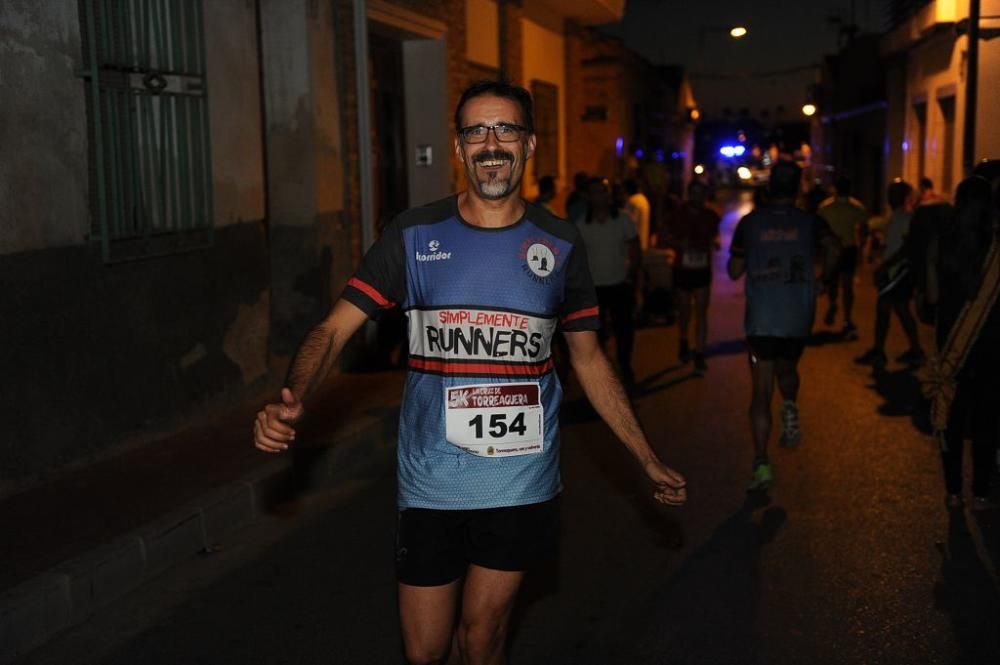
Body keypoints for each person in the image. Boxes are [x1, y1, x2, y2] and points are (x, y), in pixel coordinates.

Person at [252, 80, 686, 665]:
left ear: (529, 144)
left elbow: (589, 360)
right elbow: (332, 330)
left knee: (481, 637)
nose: (491, 143)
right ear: (459, 149)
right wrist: (292, 396)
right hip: (431, 478)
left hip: (520, 477)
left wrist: (645, 455)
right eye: (476, 131)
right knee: (426, 650)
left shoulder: (559, 243)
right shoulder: (412, 235)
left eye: (505, 129)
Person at [728, 160, 840, 490]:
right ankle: (790, 407)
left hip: (762, 319)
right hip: (797, 315)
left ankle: (761, 463)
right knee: (787, 370)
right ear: (797, 189)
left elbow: (734, 270)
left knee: (760, 392)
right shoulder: (810, 222)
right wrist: (824, 279)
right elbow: (834, 247)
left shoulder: (750, 223)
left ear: (769, 187)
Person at [926, 176, 999, 511]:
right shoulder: (996, 244)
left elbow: (930, 295)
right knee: (987, 419)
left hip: (952, 338)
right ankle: (981, 492)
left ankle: (953, 492)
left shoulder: (942, 237)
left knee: (952, 416)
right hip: (991, 343)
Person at [577, 176, 642, 387]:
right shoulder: (581, 224)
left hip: (619, 284)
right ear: (588, 196)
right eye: (596, 192)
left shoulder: (623, 219)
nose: (601, 196)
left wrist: (633, 277)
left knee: (624, 331)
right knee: (597, 336)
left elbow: (635, 249)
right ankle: (604, 376)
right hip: (594, 290)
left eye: (604, 191)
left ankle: (625, 368)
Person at [854, 180, 926, 368]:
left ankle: (881, 352)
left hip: (898, 272)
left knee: (886, 308)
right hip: (897, 270)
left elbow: (907, 246)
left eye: (893, 194)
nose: (890, 198)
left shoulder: (904, 217)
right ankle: (911, 350)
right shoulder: (897, 216)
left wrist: (887, 265)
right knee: (896, 309)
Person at [663, 180, 721, 371]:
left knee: (701, 312)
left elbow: (716, 235)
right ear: (689, 194)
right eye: (694, 192)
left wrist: (715, 242)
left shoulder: (711, 216)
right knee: (685, 309)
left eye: (701, 193)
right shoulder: (677, 214)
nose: (698, 196)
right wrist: (680, 243)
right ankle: (683, 340)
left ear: (705, 195)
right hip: (682, 269)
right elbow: (665, 236)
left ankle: (700, 353)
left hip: (702, 269)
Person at [817, 175, 868, 334]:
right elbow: (863, 229)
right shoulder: (857, 208)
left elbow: (819, 230)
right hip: (848, 249)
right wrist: (862, 246)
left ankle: (833, 303)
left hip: (831, 249)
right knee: (847, 285)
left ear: (835, 189)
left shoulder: (825, 208)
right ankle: (847, 318)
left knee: (832, 281)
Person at [624, 178, 652, 251]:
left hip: (632, 244)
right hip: (643, 242)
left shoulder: (632, 201)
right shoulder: (643, 200)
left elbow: (629, 222)